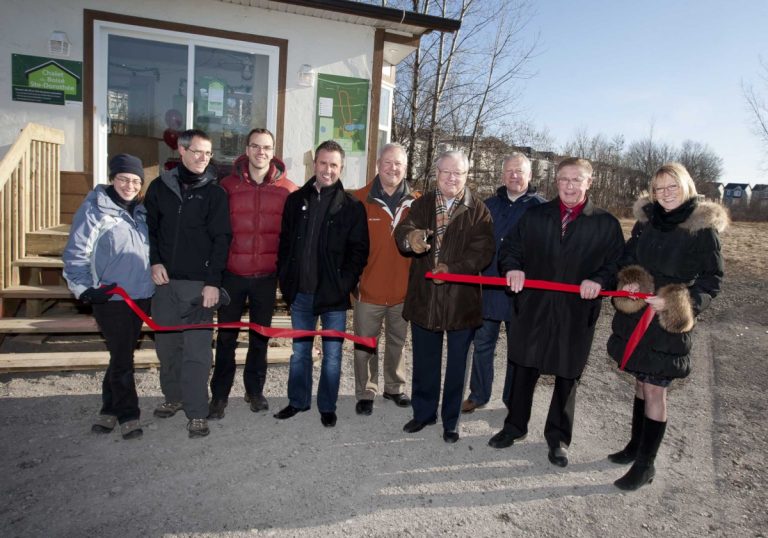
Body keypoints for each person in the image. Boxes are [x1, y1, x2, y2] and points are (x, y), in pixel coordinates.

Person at [489, 157, 624, 467]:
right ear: (556, 182)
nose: (570, 186)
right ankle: (514, 427)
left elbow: (617, 263)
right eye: (564, 179)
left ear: (590, 182)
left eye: (577, 180)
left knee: (567, 374)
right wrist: (513, 269)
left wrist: (600, 280)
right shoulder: (536, 216)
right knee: (524, 368)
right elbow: (511, 250)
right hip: (534, 307)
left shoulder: (606, 224)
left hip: (576, 311)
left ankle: (558, 438)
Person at [607, 162, 727, 490]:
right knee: (638, 381)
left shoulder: (702, 228)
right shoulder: (646, 223)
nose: (665, 195)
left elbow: (712, 280)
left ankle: (646, 466)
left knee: (655, 389)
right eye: (659, 189)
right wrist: (628, 281)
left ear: (686, 187)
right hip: (636, 317)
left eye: (671, 187)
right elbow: (626, 259)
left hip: (667, 320)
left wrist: (679, 302)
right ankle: (635, 446)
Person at [394, 149, 494, 443]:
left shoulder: (479, 210)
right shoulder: (422, 203)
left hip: (460, 299)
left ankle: (451, 421)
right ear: (436, 174)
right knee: (425, 360)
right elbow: (404, 230)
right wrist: (411, 239)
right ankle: (423, 413)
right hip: (425, 297)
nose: (452, 178)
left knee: (456, 366)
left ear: (466, 176)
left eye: (458, 173)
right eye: (446, 172)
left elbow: (483, 253)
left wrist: (452, 269)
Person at [144, 129, 232, 439]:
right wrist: (154, 261)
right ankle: (174, 396)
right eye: (197, 151)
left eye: (208, 154)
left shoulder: (215, 193)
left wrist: (212, 283)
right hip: (165, 284)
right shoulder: (159, 188)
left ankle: (197, 411)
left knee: (197, 351)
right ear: (181, 151)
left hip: (198, 287)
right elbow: (150, 230)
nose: (203, 158)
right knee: (168, 348)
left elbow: (222, 240)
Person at [275, 140, 369, 428]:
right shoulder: (295, 200)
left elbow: (359, 251)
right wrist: (286, 281)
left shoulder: (352, 207)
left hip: (333, 296)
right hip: (301, 293)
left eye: (334, 165)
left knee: (332, 356)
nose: (327, 170)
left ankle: (327, 406)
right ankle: (297, 401)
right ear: (314, 164)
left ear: (341, 168)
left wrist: (344, 284)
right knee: (300, 352)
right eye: (323, 163)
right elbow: (285, 244)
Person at [62, 154, 154, 440]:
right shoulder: (95, 210)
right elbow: (77, 250)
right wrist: (84, 288)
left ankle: (108, 408)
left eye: (135, 181)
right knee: (123, 356)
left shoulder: (140, 212)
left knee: (120, 353)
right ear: (113, 179)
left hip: (141, 295)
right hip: (112, 298)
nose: (129, 185)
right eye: (124, 179)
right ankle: (128, 413)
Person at [208, 128, 297, 419]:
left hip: (265, 277)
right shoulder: (227, 186)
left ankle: (254, 391)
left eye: (267, 147)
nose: (261, 152)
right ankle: (219, 395)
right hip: (232, 275)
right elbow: (216, 232)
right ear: (246, 150)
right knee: (226, 339)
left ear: (274, 152)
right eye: (256, 146)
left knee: (260, 338)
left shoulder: (288, 190)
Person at [461, 152, 545, 414]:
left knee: (517, 350)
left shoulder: (541, 208)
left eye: (520, 171)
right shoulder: (487, 205)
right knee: (483, 344)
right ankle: (479, 394)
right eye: (509, 171)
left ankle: (512, 399)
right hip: (488, 288)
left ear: (530, 175)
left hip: (522, 292)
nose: (514, 175)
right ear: (502, 175)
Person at [352, 143, 420, 416]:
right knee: (364, 344)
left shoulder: (417, 203)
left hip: (402, 291)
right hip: (368, 291)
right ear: (378, 163)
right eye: (388, 162)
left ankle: (394, 387)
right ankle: (365, 391)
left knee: (397, 342)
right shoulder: (358, 200)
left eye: (399, 164)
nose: (393, 168)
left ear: (405, 168)